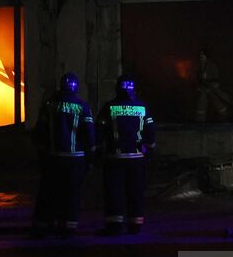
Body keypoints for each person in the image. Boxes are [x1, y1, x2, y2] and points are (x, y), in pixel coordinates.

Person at [31, 72, 94, 237]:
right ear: (76, 87)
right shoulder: (83, 106)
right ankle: (69, 225)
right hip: (76, 159)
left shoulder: (49, 104)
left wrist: (41, 151)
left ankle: (44, 225)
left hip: (53, 157)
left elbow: (40, 131)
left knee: (49, 191)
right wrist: (91, 153)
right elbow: (89, 133)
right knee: (72, 193)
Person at [97, 74, 156, 235]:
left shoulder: (109, 107)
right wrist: (149, 149)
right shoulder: (142, 107)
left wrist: (96, 150)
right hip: (136, 158)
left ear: (117, 88)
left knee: (114, 192)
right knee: (135, 191)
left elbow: (99, 131)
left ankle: (114, 225)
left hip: (114, 158)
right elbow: (150, 132)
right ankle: (135, 224)